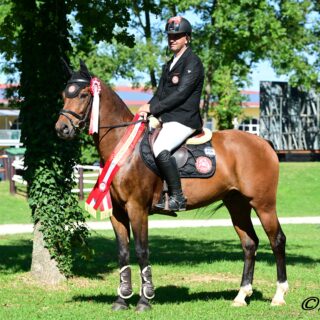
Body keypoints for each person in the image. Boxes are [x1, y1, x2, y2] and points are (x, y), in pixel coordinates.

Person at [138, 16, 204, 211]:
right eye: (170, 36)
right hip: (166, 119)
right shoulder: (168, 65)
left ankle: (178, 197)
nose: (172, 39)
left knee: (160, 147)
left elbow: (181, 94)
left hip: (184, 119)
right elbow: (159, 95)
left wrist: (152, 109)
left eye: (177, 35)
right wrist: (145, 109)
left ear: (187, 38)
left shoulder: (193, 62)